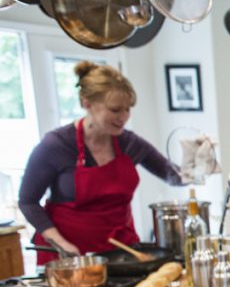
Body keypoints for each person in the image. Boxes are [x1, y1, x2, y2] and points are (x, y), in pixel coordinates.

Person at [19, 62, 183, 265]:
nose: (123, 118)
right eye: (115, 110)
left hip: (121, 252)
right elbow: (27, 201)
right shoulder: (57, 145)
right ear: (86, 103)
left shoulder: (129, 142)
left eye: (127, 110)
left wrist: (199, 164)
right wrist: (60, 242)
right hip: (70, 257)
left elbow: (173, 175)